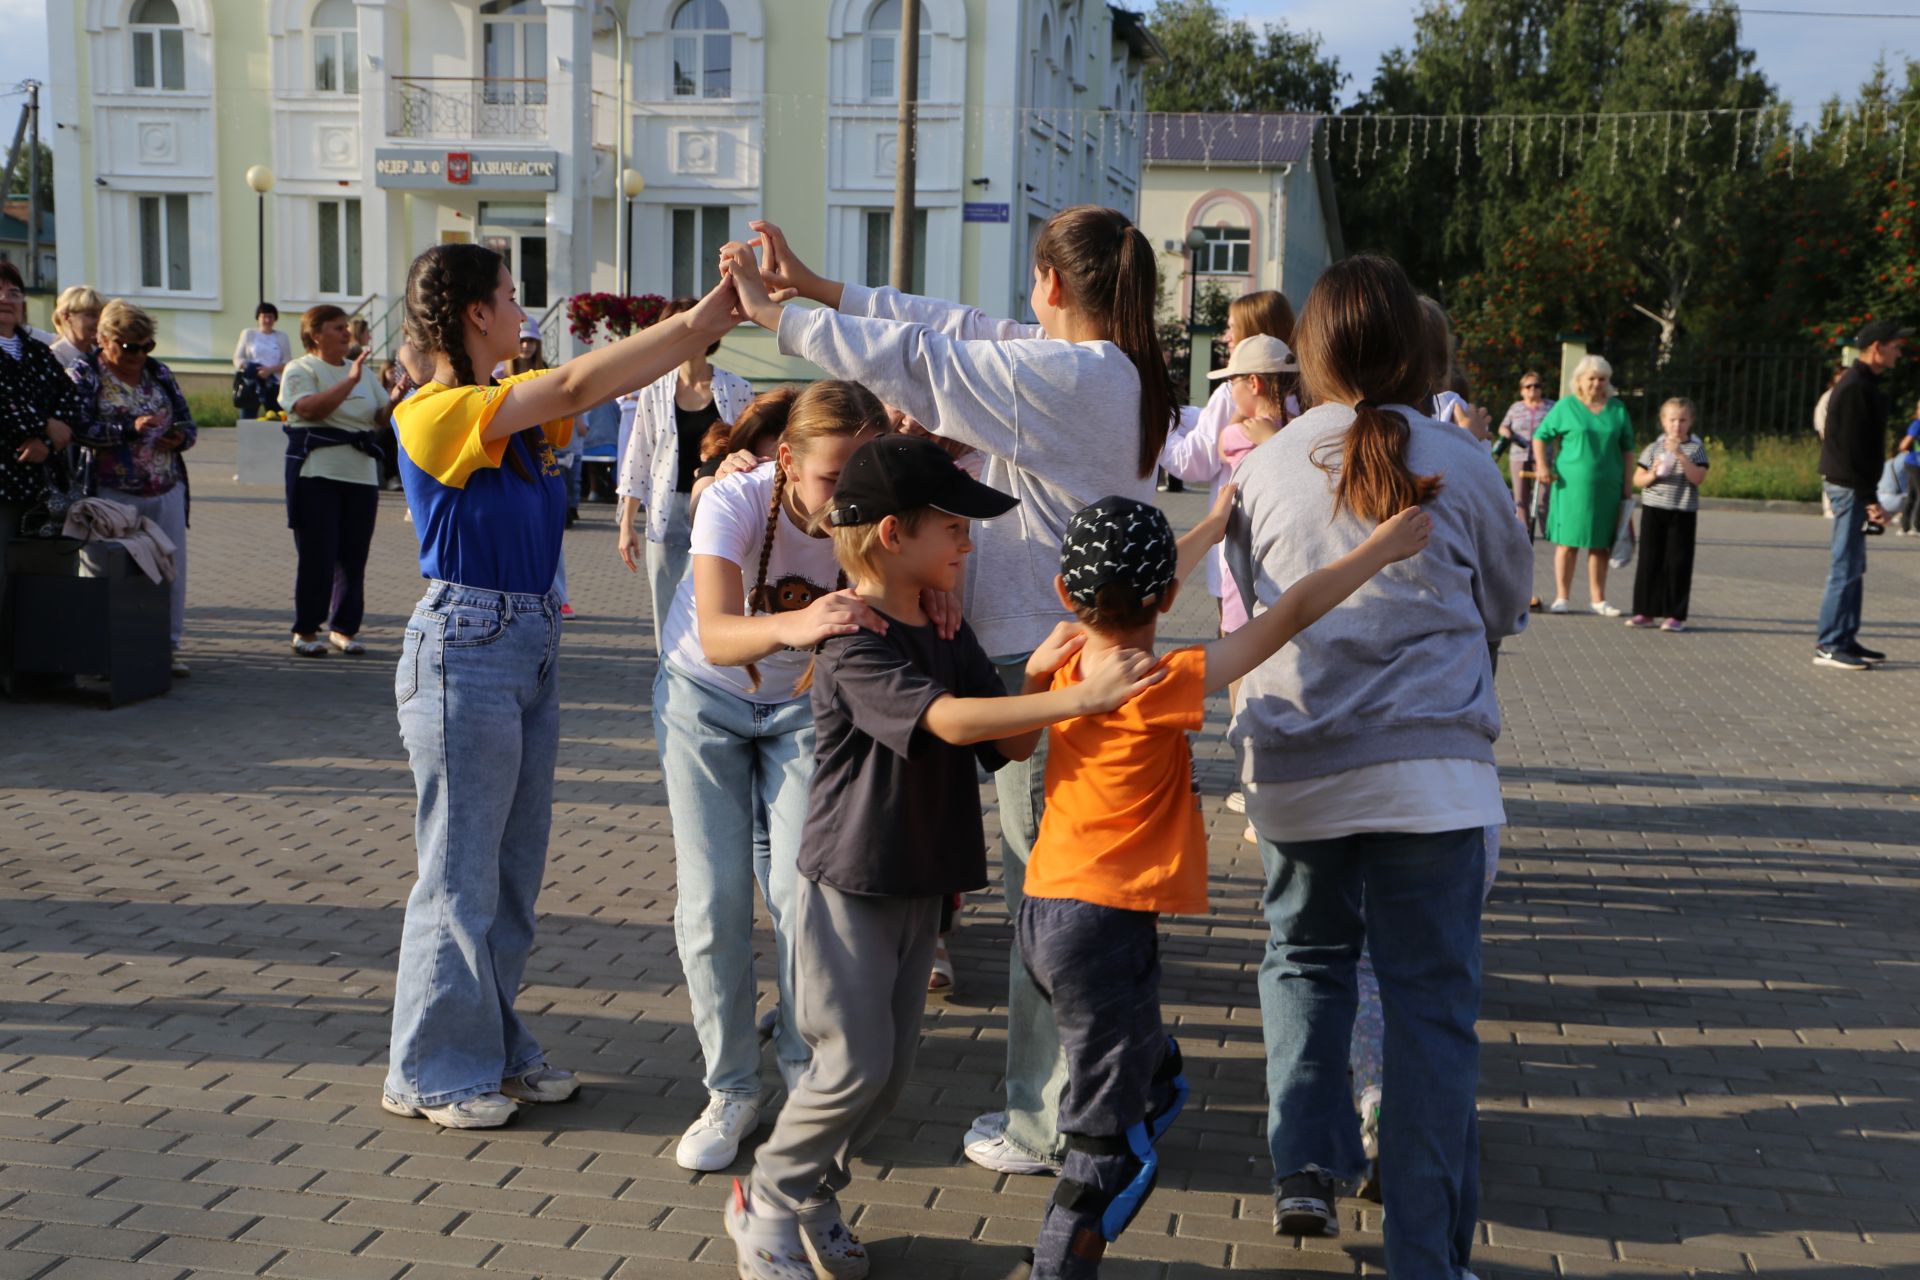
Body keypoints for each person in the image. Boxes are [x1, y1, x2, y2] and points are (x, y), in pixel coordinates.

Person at [722, 203, 1179, 1178]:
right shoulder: (1099, 369)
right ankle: (1078, 1095)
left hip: (1042, 658)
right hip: (1044, 649)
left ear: (1051, 283)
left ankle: (1045, 1119)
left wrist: (777, 318)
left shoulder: (1075, 375)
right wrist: (812, 287)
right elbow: (943, 328)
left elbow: (926, 363)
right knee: (1053, 892)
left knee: (1047, 899)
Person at [721, 435, 1164, 1280]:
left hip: (921, 884)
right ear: (894, 533)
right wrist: (1087, 694)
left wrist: (1040, 684)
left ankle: (811, 1190)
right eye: (955, 529)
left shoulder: (943, 626)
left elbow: (1010, 746)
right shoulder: (854, 640)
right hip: (849, 883)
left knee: (885, 1080)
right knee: (851, 1064)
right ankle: (767, 1197)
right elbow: (949, 724)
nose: (969, 544)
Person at [1014, 487, 1426, 1280]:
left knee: (1141, 1064)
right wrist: (1378, 549)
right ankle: (1057, 1265)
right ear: (1167, 596)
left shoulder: (1065, 658)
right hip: (1104, 926)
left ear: (1068, 594)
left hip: (1046, 914)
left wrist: (1208, 526)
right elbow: (1289, 614)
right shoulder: (1162, 678)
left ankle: (1146, 1090)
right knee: (1100, 1146)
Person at [380, 242, 743, 1129]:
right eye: (509, 296)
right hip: (465, 642)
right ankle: (428, 1069)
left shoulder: (510, 409)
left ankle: (491, 1049)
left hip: (528, 641)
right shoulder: (435, 411)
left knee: (509, 874)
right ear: (472, 313)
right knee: (459, 874)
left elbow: (593, 391)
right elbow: (579, 387)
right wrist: (699, 319)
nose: (522, 310)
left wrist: (702, 339)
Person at [1228, 254, 1532, 1274]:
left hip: (1297, 767)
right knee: (1429, 1012)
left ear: (1308, 354)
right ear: (1412, 346)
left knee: (1304, 959)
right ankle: (1424, 1252)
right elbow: (1505, 608)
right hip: (1433, 778)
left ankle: (1302, 1169)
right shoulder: (1465, 459)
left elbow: (1251, 607)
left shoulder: (1263, 466)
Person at [655, 380, 897, 1172]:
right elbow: (721, 635)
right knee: (713, 902)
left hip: (802, 708)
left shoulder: (873, 504)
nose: (846, 503)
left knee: (804, 897)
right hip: (705, 701)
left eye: (862, 479)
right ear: (785, 460)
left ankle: (801, 1066)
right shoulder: (734, 502)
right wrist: (805, 621)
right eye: (832, 480)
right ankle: (730, 1088)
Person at [616, 296, 756, 649]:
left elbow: (751, 452)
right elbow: (639, 457)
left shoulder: (737, 389)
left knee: (712, 607)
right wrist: (626, 524)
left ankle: (706, 681)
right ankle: (667, 688)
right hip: (664, 512)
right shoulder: (654, 389)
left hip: (717, 511)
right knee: (666, 616)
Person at [68, 300, 196, 678]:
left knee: (169, 571)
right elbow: (76, 426)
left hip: (164, 486)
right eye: (129, 346)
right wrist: (129, 429)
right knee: (105, 575)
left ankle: (167, 648)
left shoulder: (158, 372)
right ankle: (103, 654)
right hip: (109, 493)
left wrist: (178, 437)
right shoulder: (86, 373)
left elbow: (188, 422)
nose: (139, 355)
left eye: (146, 345)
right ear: (104, 339)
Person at [281, 304, 387, 658]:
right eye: (338, 328)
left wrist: (400, 399)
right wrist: (350, 382)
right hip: (317, 473)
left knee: (354, 556)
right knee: (318, 555)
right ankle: (306, 630)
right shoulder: (301, 369)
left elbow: (378, 417)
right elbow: (310, 410)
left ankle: (343, 629)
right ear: (315, 334)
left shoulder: (362, 373)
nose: (347, 333)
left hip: (360, 474)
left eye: (347, 328)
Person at [0, 263, 85, 693]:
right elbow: (4, 403)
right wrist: (37, 428)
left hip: (40, 490)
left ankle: (41, 669)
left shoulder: (38, 353)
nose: (6, 299)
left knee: (40, 582)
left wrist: (47, 443)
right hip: (2, 485)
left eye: (14, 292)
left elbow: (70, 402)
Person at [1814, 319, 1910, 670]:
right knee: (1844, 565)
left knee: (1854, 565)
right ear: (1876, 348)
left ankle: (1846, 637)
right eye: (1896, 345)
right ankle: (1828, 643)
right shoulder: (1855, 386)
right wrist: (1871, 497)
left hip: (1854, 484)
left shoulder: (1865, 383)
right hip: (1848, 486)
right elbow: (1854, 450)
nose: (1900, 351)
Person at [1534, 354, 1635, 615]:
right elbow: (1540, 436)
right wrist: (1543, 466)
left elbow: (1628, 450)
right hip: (1570, 486)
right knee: (1567, 542)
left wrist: (1627, 485)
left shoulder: (1617, 409)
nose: (1597, 384)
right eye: (1592, 378)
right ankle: (1562, 597)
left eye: (1602, 379)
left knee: (1600, 544)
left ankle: (1598, 599)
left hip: (1608, 487)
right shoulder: (1566, 407)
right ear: (1580, 380)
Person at [1626, 398, 1710, 632]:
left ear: (1691, 421)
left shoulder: (1696, 449)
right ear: (1663, 421)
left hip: (1682, 511)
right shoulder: (1653, 448)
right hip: (1654, 509)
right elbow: (1638, 479)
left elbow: (1698, 478)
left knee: (1678, 563)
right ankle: (1645, 611)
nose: (1677, 425)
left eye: (1682, 420)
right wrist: (1652, 474)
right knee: (1649, 560)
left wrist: (1681, 456)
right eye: (1672, 419)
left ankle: (1675, 614)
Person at [1498, 371, 1556, 536]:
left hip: (1543, 456)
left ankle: (1547, 530)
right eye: (1528, 386)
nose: (1532, 389)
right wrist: (1507, 434)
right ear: (1522, 390)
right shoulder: (1516, 408)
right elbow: (1503, 426)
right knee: (1520, 497)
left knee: (1544, 496)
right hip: (1519, 454)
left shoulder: (1551, 407)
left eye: (1536, 385)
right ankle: (1523, 530)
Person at [233, 302, 293, 416]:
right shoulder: (248, 334)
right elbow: (238, 358)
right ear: (258, 318)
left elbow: (287, 362)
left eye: (270, 317)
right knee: (248, 417)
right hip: (252, 383)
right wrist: (254, 370)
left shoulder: (282, 337)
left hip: (274, 382)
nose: (267, 320)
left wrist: (269, 370)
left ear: (275, 319)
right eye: (264, 316)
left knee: (276, 417)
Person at [48, 285, 104, 374]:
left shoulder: (101, 353)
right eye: (91, 315)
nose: (98, 322)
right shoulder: (55, 356)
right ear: (67, 317)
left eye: (101, 316)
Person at [1898, 397, 1920, 536]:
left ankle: (1905, 526)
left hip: (1914, 463)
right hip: (1914, 464)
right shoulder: (1917, 424)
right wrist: (1906, 447)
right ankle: (1916, 526)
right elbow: (1904, 444)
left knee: (1912, 494)